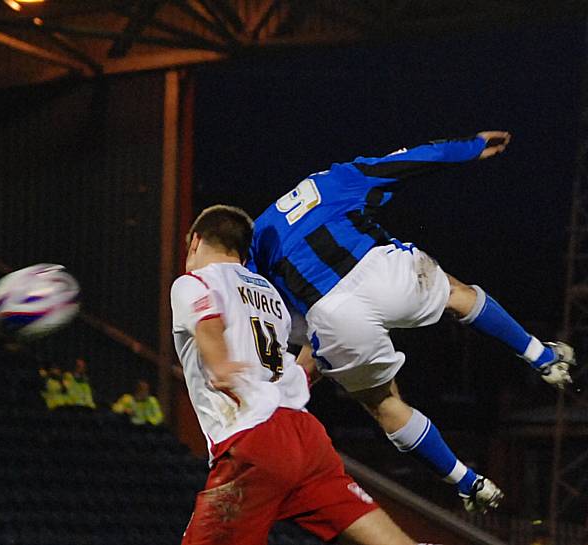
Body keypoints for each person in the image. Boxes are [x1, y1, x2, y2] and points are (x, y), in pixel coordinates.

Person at [248, 131, 577, 513]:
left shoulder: (256, 237)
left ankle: (468, 483)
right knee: (456, 293)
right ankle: (542, 358)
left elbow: (256, 300)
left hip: (332, 313)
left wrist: (282, 364)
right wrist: (471, 146)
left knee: (383, 403)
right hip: (383, 273)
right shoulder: (332, 180)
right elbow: (416, 159)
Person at [170, 205, 431, 545]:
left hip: (253, 438)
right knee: (379, 533)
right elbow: (301, 363)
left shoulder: (193, 282)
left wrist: (219, 363)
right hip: (305, 435)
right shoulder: (270, 297)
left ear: (196, 242)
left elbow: (208, 322)